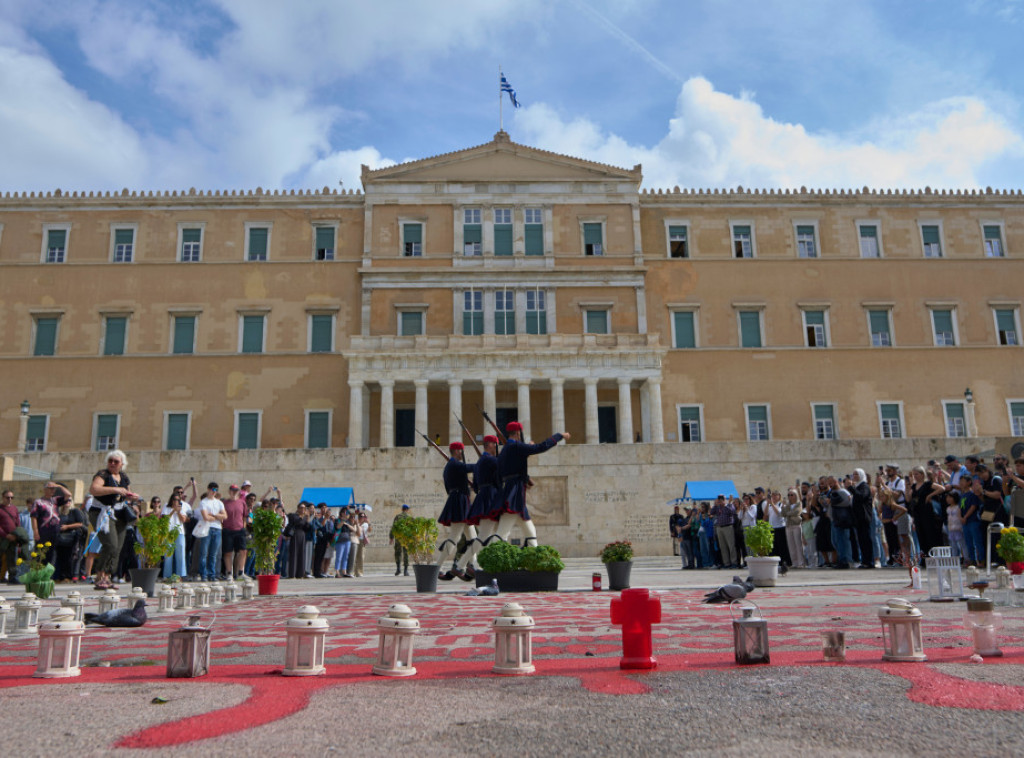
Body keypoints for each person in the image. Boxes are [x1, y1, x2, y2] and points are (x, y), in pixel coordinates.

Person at [490, 421, 570, 547]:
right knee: (502, 533)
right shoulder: (516, 446)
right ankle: (491, 558)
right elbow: (541, 447)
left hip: (512, 490)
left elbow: (502, 473)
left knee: (530, 531)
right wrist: (558, 436)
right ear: (518, 433)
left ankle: (535, 559)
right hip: (515, 492)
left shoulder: (505, 450)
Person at [88, 450, 138, 590]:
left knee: (118, 546)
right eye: (110, 460)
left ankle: (107, 576)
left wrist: (131, 496)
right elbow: (94, 489)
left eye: (116, 461)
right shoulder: (103, 475)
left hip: (120, 512)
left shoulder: (123, 477)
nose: (112, 463)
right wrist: (115, 490)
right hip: (102, 512)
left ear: (122, 464)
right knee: (110, 544)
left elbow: (126, 492)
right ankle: (99, 575)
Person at [437, 442, 478, 581]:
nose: (462, 453)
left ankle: (473, 565)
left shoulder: (450, 467)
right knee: (454, 538)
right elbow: (470, 467)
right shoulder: (454, 464)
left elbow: (449, 488)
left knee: (472, 538)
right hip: (460, 502)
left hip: (460, 500)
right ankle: (437, 567)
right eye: (461, 450)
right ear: (455, 451)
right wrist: (487, 462)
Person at [53, 497, 87, 582]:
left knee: (70, 557)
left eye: (69, 501)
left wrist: (67, 527)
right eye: (65, 501)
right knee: (60, 557)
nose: (67, 502)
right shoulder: (58, 512)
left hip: (71, 538)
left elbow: (80, 523)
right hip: (60, 538)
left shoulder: (75, 511)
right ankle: (60, 576)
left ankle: (69, 576)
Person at [221, 485, 249, 580]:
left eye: (236, 490)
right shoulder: (224, 503)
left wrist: (243, 527)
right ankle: (229, 573)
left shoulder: (242, 502)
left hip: (239, 529)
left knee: (243, 551)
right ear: (229, 491)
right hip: (227, 530)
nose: (234, 492)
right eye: (232, 490)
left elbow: (245, 516)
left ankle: (241, 572)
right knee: (228, 552)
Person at [162, 493, 191, 579]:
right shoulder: (166, 507)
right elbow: (164, 520)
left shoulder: (182, 508)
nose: (176, 501)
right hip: (169, 532)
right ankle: (167, 575)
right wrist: (173, 511)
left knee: (180, 554)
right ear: (171, 499)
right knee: (168, 555)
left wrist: (178, 512)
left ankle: (180, 575)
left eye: (178, 500)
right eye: (174, 499)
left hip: (179, 533)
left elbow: (183, 520)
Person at [849, 469, 875, 569]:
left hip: (864, 517)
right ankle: (865, 561)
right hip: (858, 518)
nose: (854, 476)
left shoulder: (864, 486)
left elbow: (861, 497)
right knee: (861, 540)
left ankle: (869, 561)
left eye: (856, 474)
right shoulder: (858, 486)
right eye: (853, 474)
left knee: (866, 540)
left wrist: (851, 488)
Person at [1, 490, 24, 583]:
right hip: (2, 538)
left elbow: (17, 523)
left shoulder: (14, 509)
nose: (9, 499)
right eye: (7, 497)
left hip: (13, 538)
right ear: (3, 498)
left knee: (12, 558)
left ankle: (12, 577)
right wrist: (6, 535)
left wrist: (17, 535)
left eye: (11, 497)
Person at [711, 494, 737, 569]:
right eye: (718, 499)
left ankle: (734, 562)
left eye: (721, 499)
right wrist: (715, 505)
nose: (719, 501)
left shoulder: (729, 505)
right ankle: (726, 563)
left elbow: (732, 512)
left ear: (724, 499)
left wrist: (727, 504)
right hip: (719, 528)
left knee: (731, 545)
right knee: (723, 546)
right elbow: (712, 512)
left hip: (728, 527)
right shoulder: (717, 507)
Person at [782, 489, 805, 568]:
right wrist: (783, 507)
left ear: (795, 496)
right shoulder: (787, 505)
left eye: (792, 495)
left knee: (798, 544)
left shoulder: (799, 503)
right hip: (789, 525)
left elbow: (797, 512)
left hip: (796, 525)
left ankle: (800, 562)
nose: (790, 497)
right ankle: (794, 562)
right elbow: (783, 514)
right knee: (791, 545)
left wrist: (788, 513)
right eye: (789, 495)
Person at [389, 504, 411, 576]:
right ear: (407, 510)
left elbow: (394, 527)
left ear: (402, 509)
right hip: (406, 538)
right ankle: (406, 571)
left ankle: (398, 569)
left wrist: (391, 537)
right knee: (406, 553)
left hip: (398, 537)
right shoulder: (409, 518)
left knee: (398, 553)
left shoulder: (398, 517)